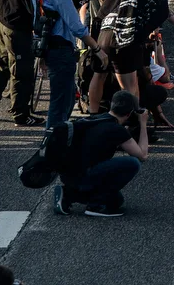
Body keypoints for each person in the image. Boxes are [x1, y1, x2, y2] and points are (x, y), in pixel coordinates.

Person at [33, 0, 109, 130]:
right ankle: (52, 145)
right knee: (63, 102)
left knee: (61, 100)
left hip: (49, 41)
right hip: (60, 45)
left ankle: (54, 144)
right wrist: (96, 47)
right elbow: (74, 22)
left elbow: (37, 11)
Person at [54, 90, 149, 218]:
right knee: (133, 163)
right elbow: (142, 155)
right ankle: (96, 205)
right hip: (85, 175)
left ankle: (68, 194)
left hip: (69, 175)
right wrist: (143, 124)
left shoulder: (94, 119)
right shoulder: (117, 130)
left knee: (116, 200)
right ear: (129, 114)